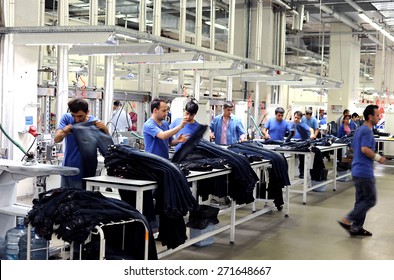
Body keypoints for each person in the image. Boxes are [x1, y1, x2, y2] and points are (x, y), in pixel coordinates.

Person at [338, 105, 386, 236]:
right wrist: (378, 157)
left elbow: (354, 147)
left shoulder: (360, 130)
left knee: (360, 200)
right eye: (377, 115)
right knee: (370, 200)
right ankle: (348, 219)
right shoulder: (366, 131)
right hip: (364, 171)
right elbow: (364, 149)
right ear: (370, 117)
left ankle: (356, 227)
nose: (379, 117)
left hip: (357, 169)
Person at [54, 98, 109, 189]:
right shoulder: (67, 118)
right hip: (67, 169)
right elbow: (56, 139)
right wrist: (65, 131)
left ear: (87, 112)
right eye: (74, 116)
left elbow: (107, 146)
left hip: (84, 172)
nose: (76, 119)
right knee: (64, 200)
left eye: (80, 116)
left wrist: (105, 129)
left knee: (80, 201)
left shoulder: (94, 123)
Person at [290, 111, 315, 179]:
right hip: (291, 143)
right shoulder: (290, 124)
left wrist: (312, 134)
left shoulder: (302, 125)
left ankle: (302, 173)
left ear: (300, 118)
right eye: (295, 117)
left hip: (301, 143)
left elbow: (311, 129)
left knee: (302, 158)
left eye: (298, 118)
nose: (296, 119)